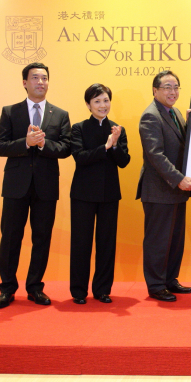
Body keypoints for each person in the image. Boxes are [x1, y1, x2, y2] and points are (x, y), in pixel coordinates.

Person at [0, 62, 71, 309]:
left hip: (46, 187)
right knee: (10, 238)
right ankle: (7, 289)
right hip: (16, 186)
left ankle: (35, 288)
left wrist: (42, 145)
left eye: (45, 78)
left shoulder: (60, 115)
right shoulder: (10, 111)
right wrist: (25, 143)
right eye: (35, 78)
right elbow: (0, 146)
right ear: (25, 82)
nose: (41, 82)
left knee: (42, 238)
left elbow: (66, 149)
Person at [137, 70, 191, 302]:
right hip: (160, 189)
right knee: (158, 241)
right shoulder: (151, 116)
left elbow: (182, 145)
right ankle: (156, 285)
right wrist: (178, 178)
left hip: (176, 190)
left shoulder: (175, 113)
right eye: (167, 87)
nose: (173, 92)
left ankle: (170, 280)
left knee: (174, 239)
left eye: (176, 87)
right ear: (155, 90)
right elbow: (156, 155)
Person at [69, 83, 130, 305]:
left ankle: (102, 289)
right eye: (97, 101)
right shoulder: (78, 128)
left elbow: (124, 162)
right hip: (83, 194)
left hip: (109, 194)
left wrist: (115, 146)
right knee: (80, 243)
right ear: (88, 105)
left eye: (105, 100)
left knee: (106, 243)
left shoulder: (117, 129)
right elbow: (80, 157)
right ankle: (78, 291)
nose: (102, 105)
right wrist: (105, 147)